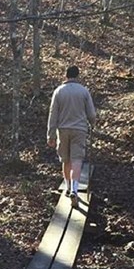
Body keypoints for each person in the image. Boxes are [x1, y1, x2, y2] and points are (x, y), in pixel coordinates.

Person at [47, 66, 97, 207]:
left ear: (65, 75)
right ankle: (75, 189)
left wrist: (50, 135)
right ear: (78, 76)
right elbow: (91, 114)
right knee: (77, 159)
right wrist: (92, 124)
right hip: (80, 130)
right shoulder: (84, 91)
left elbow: (53, 114)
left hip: (63, 129)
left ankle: (68, 187)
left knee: (65, 159)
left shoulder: (58, 92)